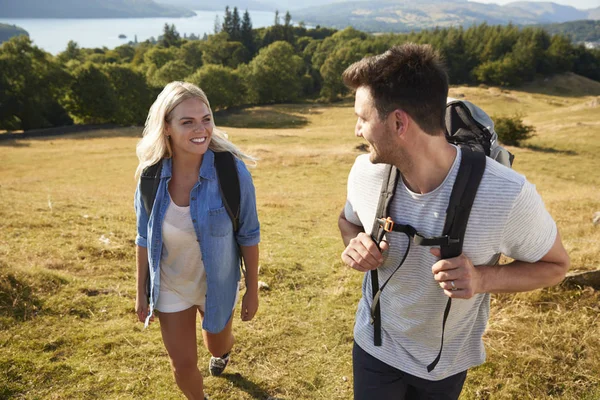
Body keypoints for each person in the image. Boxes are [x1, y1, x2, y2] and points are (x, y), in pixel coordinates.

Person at [338, 44, 570, 399]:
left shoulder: (505, 194)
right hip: (374, 346)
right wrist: (354, 244)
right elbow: (347, 221)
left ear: (399, 122)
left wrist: (482, 277)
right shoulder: (365, 174)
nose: (357, 130)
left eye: (363, 118)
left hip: (445, 363)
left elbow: (556, 266)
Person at [134, 81, 260, 400]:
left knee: (216, 344)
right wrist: (141, 293)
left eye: (205, 119)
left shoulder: (232, 172)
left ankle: (223, 351)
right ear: (166, 128)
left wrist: (252, 290)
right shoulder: (150, 178)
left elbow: (249, 234)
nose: (200, 129)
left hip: (218, 283)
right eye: (187, 122)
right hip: (171, 285)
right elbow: (143, 237)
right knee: (183, 364)